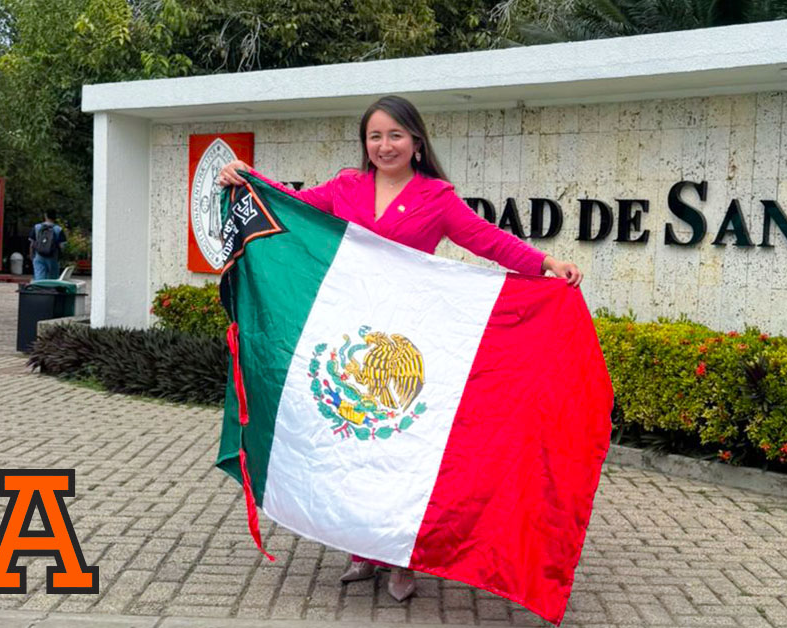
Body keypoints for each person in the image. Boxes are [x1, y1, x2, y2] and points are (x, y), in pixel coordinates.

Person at [216, 95, 583, 602]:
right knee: (352, 445)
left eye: (395, 135)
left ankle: (402, 560)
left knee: (398, 451)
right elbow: (290, 204)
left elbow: (486, 239)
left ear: (416, 142)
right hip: (348, 338)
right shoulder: (346, 187)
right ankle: (361, 549)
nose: (384, 145)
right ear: (365, 144)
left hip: (409, 344)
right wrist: (246, 178)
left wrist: (544, 264)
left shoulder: (436, 197)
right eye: (375, 136)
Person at [28, 211, 66, 281]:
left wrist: (32, 256)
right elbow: (62, 246)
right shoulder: (58, 229)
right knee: (53, 280)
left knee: (39, 279)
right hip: (53, 257)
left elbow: (32, 244)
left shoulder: (37, 227)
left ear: (45, 216)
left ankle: (40, 287)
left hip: (39, 256)